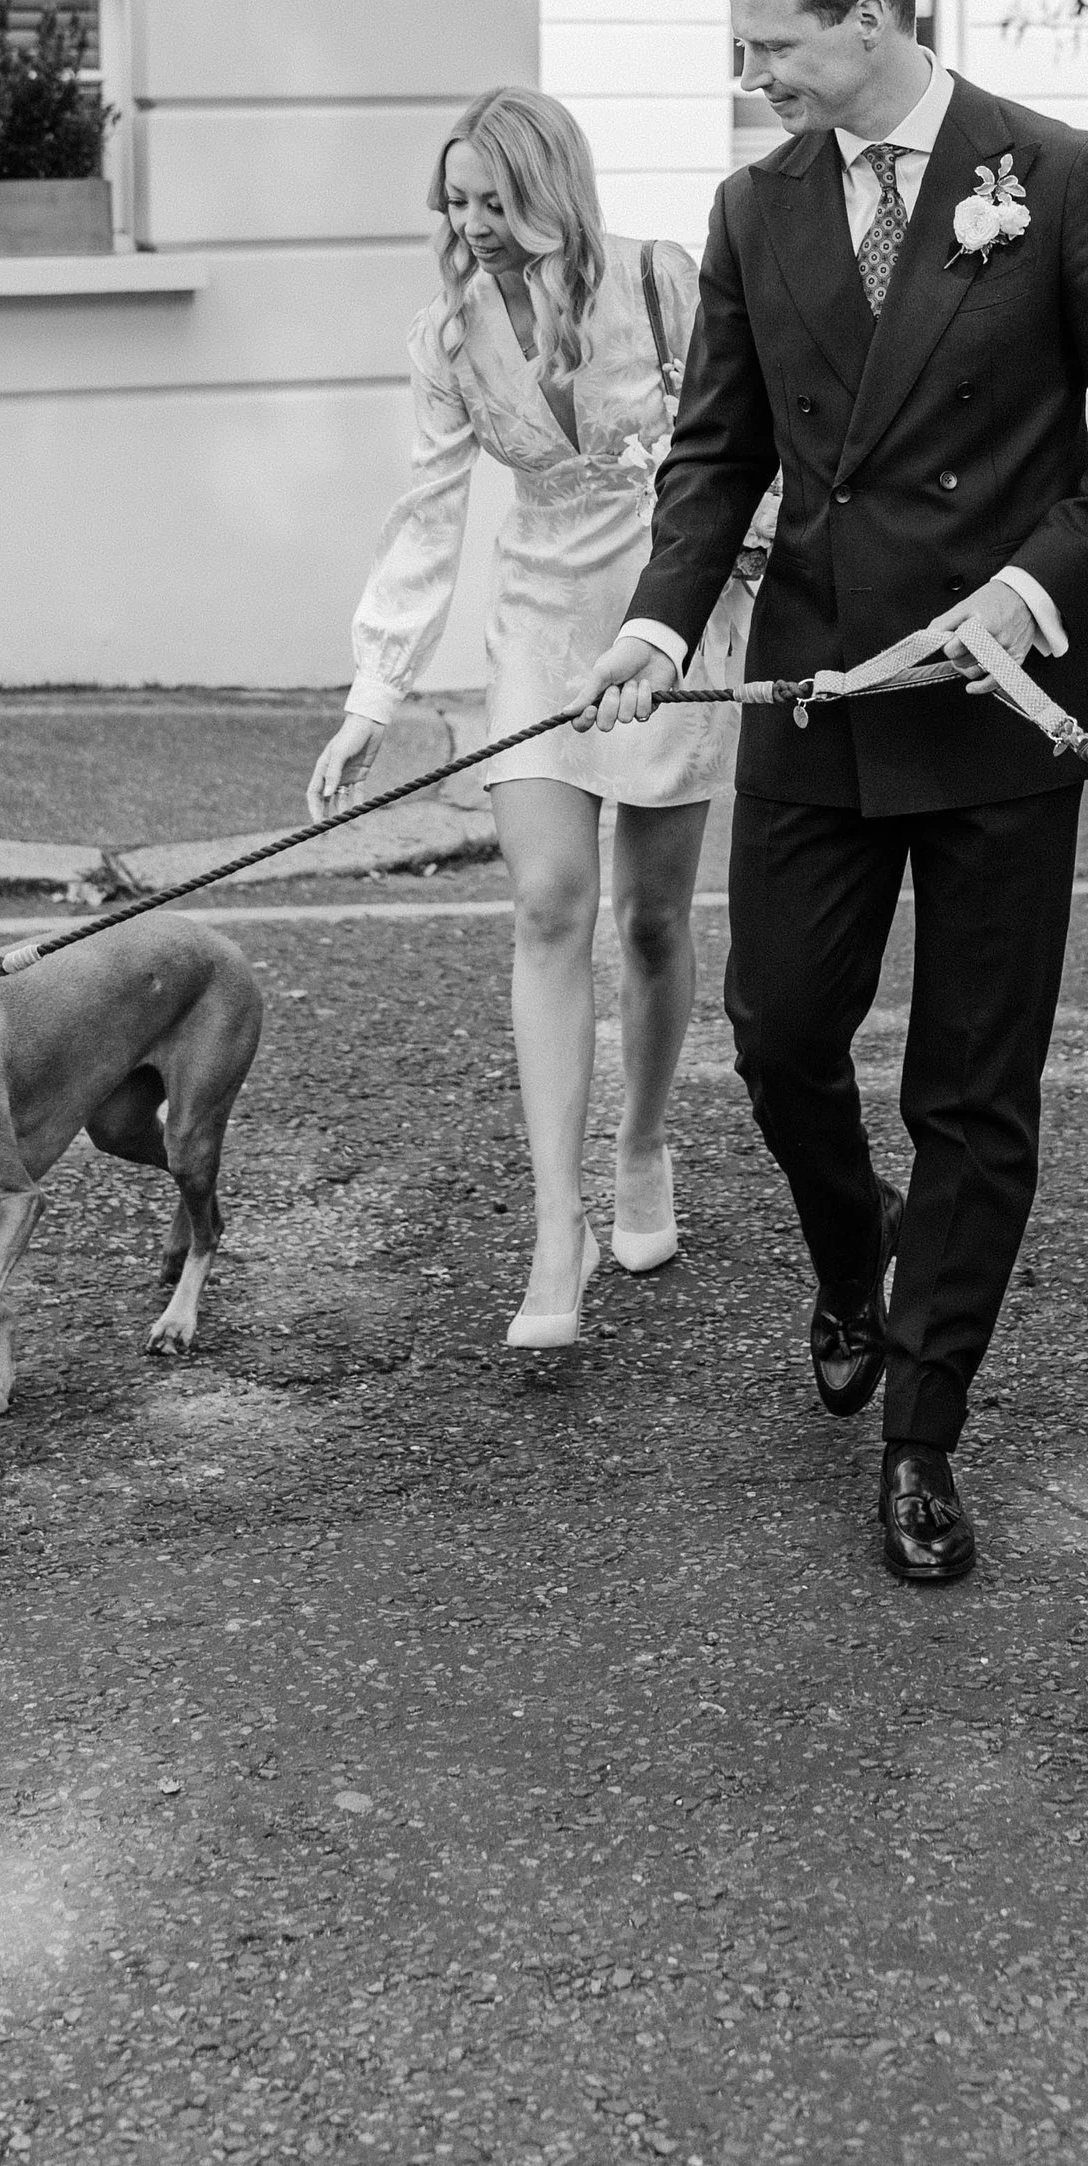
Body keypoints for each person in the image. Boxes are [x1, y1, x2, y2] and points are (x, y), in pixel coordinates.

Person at [579, 0, 1088, 1582]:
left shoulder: (1055, 176)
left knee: (972, 1092)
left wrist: (1033, 591)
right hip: (818, 690)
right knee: (780, 1030)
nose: (754, 69)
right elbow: (717, 453)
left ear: (872, 19)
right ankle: (852, 1264)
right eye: (747, 41)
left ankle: (924, 1432)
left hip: (1004, 702)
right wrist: (657, 618)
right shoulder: (752, 205)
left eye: (778, 42)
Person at [309, 87, 752, 1350]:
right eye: (455, 203)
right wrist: (372, 699)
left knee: (653, 921)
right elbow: (428, 519)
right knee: (549, 905)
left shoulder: (665, 283)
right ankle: (555, 1228)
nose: (474, 226)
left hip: (671, 625)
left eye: (494, 201)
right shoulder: (447, 341)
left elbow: (742, 450)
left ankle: (645, 1141)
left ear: (552, 187)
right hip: (544, 636)